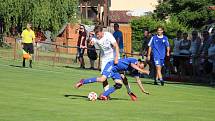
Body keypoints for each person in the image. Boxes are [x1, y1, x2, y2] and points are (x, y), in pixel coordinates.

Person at [89, 25, 137, 100]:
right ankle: (106, 94)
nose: (97, 36)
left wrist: (117, 58)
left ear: (102, 32)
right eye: (96, 34)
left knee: (122, 76)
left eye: (98, 34)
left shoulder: (108, 35)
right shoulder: (95, 37)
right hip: (104, 60)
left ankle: (129, 91)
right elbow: (91, 42)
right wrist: (90, 43)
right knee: (104, 78)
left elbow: (116, 46)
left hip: (114, 57)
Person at [75, 58, 150, 100]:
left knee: (119, 85)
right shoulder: (134, 61)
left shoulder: (135, 70)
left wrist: (143, 90)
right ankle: (83, 81)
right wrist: (143, 71)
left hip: (116, 71)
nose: (139, 68)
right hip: (111, 65)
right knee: (102, 79)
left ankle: (103, 95)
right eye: (140, 66)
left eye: (141, 68)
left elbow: (138, 80)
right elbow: (133, 65)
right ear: (139, 62)